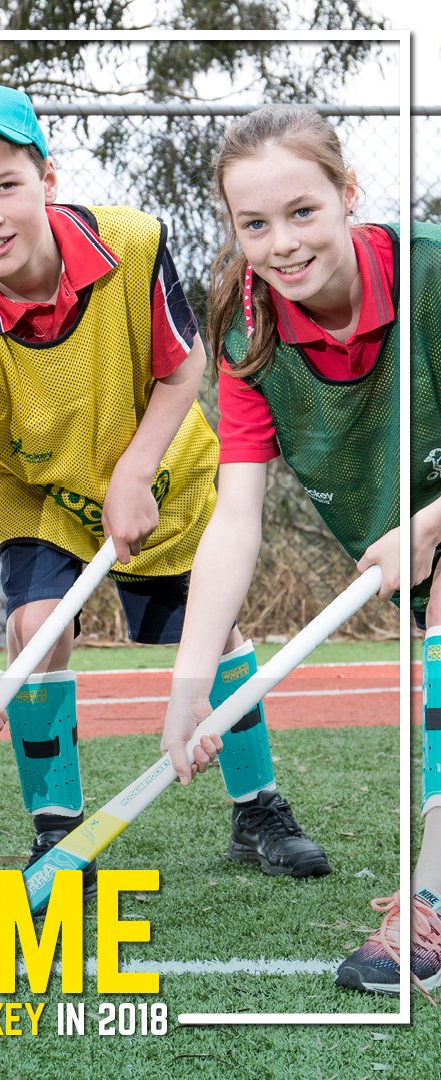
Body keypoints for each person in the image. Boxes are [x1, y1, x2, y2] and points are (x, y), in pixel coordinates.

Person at [0, 81, 329, 903]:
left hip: (160, 465)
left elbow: (184, 369)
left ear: (48, 179)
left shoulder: (132, 243)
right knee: (34, 626)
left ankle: (257, 810)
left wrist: (134, 472)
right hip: (44, 493)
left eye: (5, 186)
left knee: (217, 632)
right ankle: (57, 832)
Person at [160, 104, 441, 997]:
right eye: (255, 224)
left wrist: (429, 525)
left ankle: (427, 904)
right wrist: (191, 685)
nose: (281, 243)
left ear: (349, 196)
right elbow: (236, 518)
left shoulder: (431, 275)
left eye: (304, 212)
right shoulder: (247, 327)